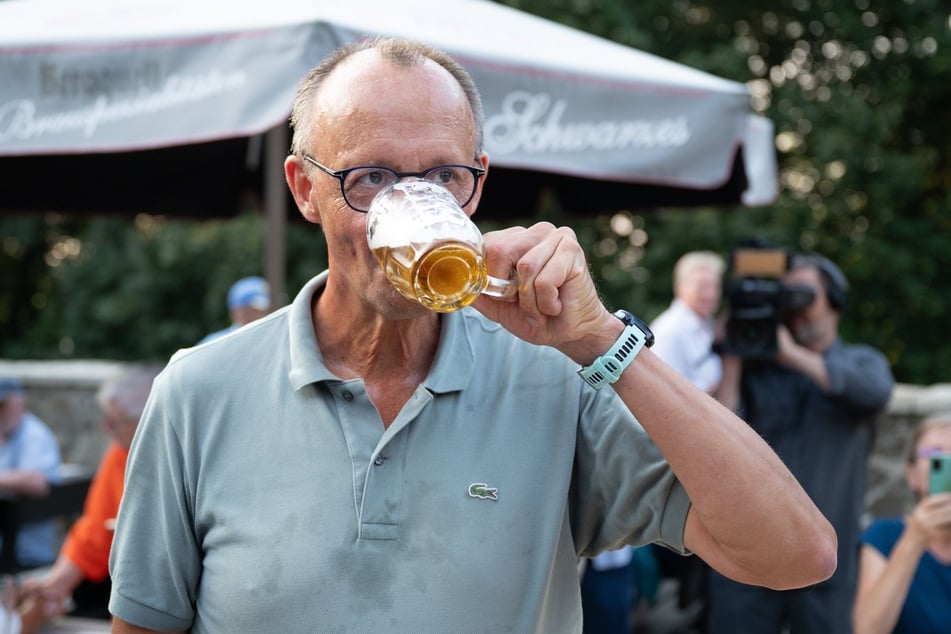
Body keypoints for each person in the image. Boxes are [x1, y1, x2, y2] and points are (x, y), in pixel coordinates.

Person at [107, 37, 836, 633]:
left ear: (477, 185)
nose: (411, 204)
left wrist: (601, 343)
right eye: (370, 179)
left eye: (441, 177)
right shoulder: (200, 389)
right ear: (304, 189)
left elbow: (794, 555)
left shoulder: (553, 376)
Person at [710, 252, 895, 634]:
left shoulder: (863, 362)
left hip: (827, 565)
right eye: (786, 295)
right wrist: (732, 356)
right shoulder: (757, 371)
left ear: (835, 301)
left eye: (804, 294)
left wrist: (792, 355)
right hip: (747, 560)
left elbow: (875, 392)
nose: (794, 307)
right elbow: (713, 432)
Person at [16, 364, 162, 625]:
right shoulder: (120, 452)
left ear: (147, 419)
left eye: (115, 422)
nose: (107, 429)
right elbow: (94, 529)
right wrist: (55, 585)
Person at [648, 250, 727, 633]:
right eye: (702, 284)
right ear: (682, 286)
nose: (711, 292)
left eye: (715, 284)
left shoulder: (706, 326)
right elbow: (667, 398)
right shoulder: (674, 329)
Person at [853, 414, 951, 634]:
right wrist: (913, 540)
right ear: (912, 474)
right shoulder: (883, 536)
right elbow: (867, 630)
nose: (946, 462)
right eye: (934, 453)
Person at [0, 377, 61, 570]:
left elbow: (38, 482)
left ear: (21, 404)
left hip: (26, 553)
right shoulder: (7, 431)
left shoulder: (33, 434)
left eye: (2, 405)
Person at [650, 251, 726, 394]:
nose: (711, 295)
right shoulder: (671, 331)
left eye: (715, 286)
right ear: (680, 288)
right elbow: (665, 394)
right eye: (702, 287)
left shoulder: (707, 322)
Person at [197, 276, 270, 344]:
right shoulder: (213, 344)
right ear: (236, 311)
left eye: (262, 310)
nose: (260, 315)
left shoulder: (272, 340)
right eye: (252, 310)